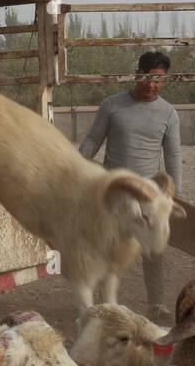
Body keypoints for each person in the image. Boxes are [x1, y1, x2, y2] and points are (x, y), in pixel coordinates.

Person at [78, 50, 183, 324]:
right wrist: (74, 167)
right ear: (137, 74)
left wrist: (175, 193)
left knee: (154, 250)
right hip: (114, 193)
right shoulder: (112, 105)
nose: (152, 84)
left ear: (165, 80)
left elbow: (172, 155)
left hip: (149, 196)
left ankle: (156, 305)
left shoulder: (169, 113)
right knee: (108, 246)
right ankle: (104, 305)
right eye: (147, 78)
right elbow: (92, 141)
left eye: (159, 80)